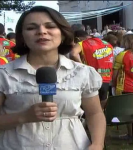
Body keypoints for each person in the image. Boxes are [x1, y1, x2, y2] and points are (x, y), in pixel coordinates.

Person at [0, 6, 106, 150]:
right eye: (31, 28)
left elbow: (94, 113)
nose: (42, 31)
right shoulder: (4, 74)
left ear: (62, 34)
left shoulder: (82, 73)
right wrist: (24, 117)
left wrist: (97, 144)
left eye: (50, 26)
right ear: (22, 36)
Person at [112, 34, 133, 140]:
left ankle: (131, 135)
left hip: (126, 86)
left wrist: (113, 85)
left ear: (127, 42)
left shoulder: (122, 55)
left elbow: (115, 74)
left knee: (128, 112)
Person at [70, 30, 114, 109]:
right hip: (106, 77)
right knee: (103, 100)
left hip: (90, 78)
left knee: (88, 103)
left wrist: (83, 66)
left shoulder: (82, 43)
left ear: (77, 39)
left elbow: (73, 53)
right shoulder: (107, 44)